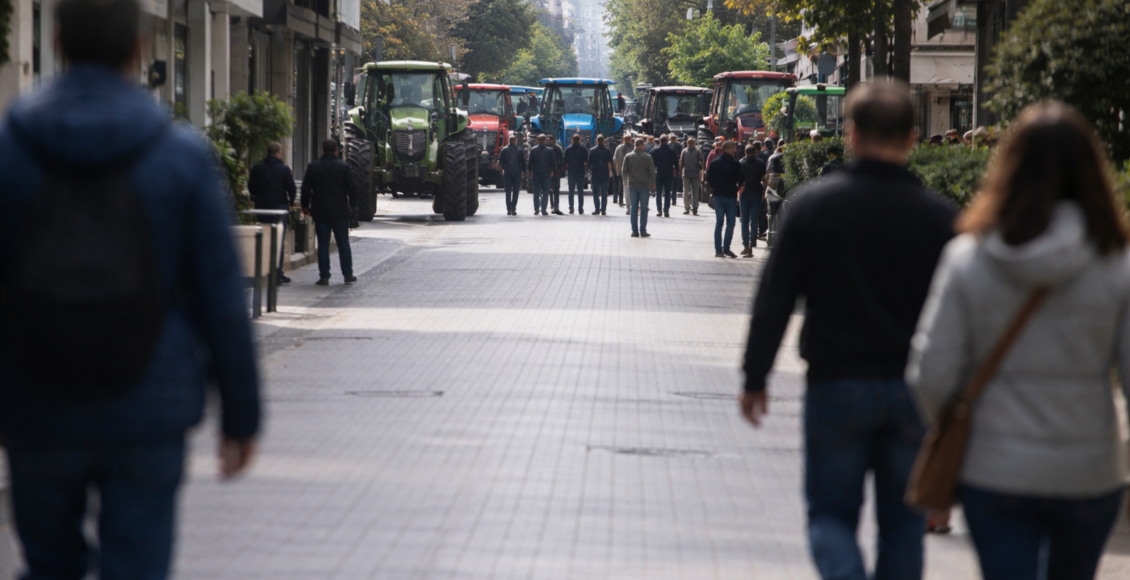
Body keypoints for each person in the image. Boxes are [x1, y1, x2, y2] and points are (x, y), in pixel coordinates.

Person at [0, 0, 261, 577]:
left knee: (48, 563)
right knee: (138, 563)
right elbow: (221, 298)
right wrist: (241, 416)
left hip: (36, 396)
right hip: (150, 402)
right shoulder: (181, 156)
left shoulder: (11, 150)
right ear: (141, 49)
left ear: (59, 42)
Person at [741, 80, 957, 580]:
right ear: (912, 138)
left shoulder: (813, 207)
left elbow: (775, 297)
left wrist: (756, 377)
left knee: (830, 515)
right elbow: (962, 315)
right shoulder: (941, 219)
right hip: (913, 390)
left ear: (852, 134)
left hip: (835, 384)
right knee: (903, 524)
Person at [907, 101, 1130, 580]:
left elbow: (930, 371)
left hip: (994, 466)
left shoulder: (969, 258)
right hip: (1090, 467)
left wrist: (949, 427)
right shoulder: (1118, 261)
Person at [301, 139, 357, 285]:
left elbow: (306, 188)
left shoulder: (313, 167)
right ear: (337, 150)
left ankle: (324, 276)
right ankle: (347, 274)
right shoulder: (344, 167)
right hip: (340, 211)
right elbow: (352, 187)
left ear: (322, 151)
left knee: (323, 244)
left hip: (321, 211)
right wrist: (353, 205)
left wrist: (305, 206)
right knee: (343, 243)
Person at [248, 141, 297, 284]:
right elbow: (291, 188)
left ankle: (264, 270)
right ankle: (276, 273)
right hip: (280, 208)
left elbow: (252, 187)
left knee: (265, 239)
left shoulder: (257, 168)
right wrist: (291, 203)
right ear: (278, 152)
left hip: (262, 207)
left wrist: (258, 197)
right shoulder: (284, 169)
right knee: (278, 240)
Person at [706, 141, 743, 258]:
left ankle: (718, 250)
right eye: (733, 148)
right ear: (728, 148)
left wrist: (713, 187)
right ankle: (726, 248)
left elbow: (709, 177)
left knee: (719, 223)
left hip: (718, 194)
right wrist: (738, 187)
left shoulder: (715, 162)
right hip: (731, 195)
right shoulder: (735, 164)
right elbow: (741, 179)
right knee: (731, 223)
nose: (735, 150)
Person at [621, 138, 656, 238]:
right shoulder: (648, 156)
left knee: (633, 208)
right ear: (642, 145)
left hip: (632, 184)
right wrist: (653, 182)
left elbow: (624, 170)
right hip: (644, 185)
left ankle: (634, 231)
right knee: (644, 208)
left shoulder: (628, 156)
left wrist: (625, 181)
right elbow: (652, 171)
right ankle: (643, 231)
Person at [738, 144, 767, 256]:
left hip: (744, 193)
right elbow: (764, 178)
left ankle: (746, 245)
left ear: (745, 152)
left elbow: (739, 179)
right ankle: (752, 244)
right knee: (754, 219)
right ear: (756, 152)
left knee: (744, 221)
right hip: (757, 193)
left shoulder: (741, 163)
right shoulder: (760, 163)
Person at [650, 134, 679, 218]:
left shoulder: (655, 150)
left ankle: (659, 210)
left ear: (659, 140)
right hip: (668, 174)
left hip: (658, 173)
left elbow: (651, 161)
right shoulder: (672, 151)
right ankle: (666, 211)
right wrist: (677, 172)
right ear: (667, 140)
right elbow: (676, 163)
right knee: (667, 192)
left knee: (658, 192)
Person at [527, 134, 556, 215]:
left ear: (538, 140)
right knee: (546, 192)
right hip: (547, 173)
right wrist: (553, 171)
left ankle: (536, 208)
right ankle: (543, 210)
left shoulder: (533, 150)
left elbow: (530, 162)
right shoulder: (550, 150)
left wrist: (530, 171)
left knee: (536, 192)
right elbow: (553, 162)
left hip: (536, 173)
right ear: (545, 140)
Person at [499, 135, 526, 216]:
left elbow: (501, 161)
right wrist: (523, 171)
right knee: (516, 191)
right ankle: (513, 208)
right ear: (516, 141)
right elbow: (523, 162)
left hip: (507, 172)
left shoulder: (504, 150)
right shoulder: (520, 150)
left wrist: (503, 168)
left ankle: (509, 209)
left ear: (509, 141)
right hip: (517, 172)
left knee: (508, 191)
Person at [588, 134, 614, 216]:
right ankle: (603, 209)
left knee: (595, 191)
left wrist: (589, 170)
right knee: (604, 192)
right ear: (604, 141)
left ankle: (596, 209)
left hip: (595, 173)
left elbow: (589, 162)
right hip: (605, 173)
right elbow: (611, 162)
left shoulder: (592, 150)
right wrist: (610, 171)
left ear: (596, 141)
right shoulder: (608, 150)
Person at [563, 133, 589, 214]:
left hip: (571, 172)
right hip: (580, 172)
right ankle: (580, 209)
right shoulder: (584, 149)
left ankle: (571, 208)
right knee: (580, 192)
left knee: (571, 191)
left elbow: (565, 161)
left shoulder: (568, 149)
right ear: (580, 140)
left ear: (572, 140)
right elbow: (586, 160)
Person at [680, 137, 703, 216]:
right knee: (695, 191)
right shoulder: (698, 151)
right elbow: (702, 160)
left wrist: (681, 172)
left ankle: (687, 208)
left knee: (686, 192)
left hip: (686, 174)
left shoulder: (684, 151)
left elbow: (681, 162)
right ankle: (695, 208)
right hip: (695, 174)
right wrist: (701, 169)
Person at [613, 134, 633, 210]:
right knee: (629, 185)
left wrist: (616, 167)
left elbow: (615, 158)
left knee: (621, 184)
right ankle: (628, 201)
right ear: (630, 139)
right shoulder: (633, 147)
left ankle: (621, 200)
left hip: (621, 169)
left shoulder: (619, 147)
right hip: (631, 170)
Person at [547, 135, 565, 215]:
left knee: (547, 189)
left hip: (547, 172)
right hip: (556, 171)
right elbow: (561, 160)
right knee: (556, 190)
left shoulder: (546, 148)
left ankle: (549, 205)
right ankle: (556, 206)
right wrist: (560, 170)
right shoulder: (557, 148)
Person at [667, 134, 684, 203]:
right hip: (676, 164)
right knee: (675, 182)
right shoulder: (680, 145)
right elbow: (681, 155)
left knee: (668, 183)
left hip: (668, 165)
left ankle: (668, 198)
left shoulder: (668, 145)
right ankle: (674, 199)